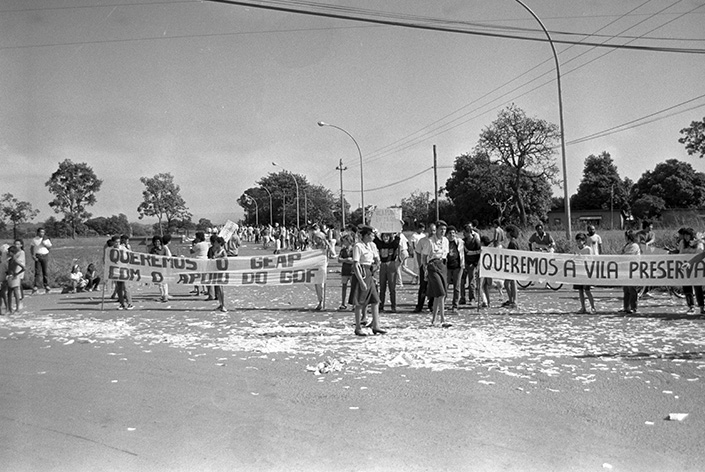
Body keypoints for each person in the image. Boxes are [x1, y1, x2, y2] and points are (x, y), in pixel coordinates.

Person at [351, 225, 386, 336]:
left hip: (370, 272)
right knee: (359, 302)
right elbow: (356, 264)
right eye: (371, 234)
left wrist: (376, 266)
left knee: (375, 300)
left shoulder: (372, 245)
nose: (373, 236)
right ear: (365, 235)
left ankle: (376, 325)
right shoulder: (358, 246)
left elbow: (376, 259)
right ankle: (357, 327)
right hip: (362, 272)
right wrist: (361, 281)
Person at [422, 220, 450, 327]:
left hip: (442, 265)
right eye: (441, 229)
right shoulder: (430, 241)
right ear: (436, 230)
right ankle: (442, 319)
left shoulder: (446, 241)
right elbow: (424, 256)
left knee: (440, 295)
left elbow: (445, 255)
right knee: (441, 293)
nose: (443, 231)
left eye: (444, 229)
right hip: (432, 266)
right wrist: (425, 269)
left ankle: (434, 319)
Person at [677, 227, 704, 315]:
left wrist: (698, 242)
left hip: (696, 268)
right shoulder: (682, 242)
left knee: (697, 287)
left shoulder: (698, 243)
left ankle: (701, 306)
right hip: (686, 267)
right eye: (684, 235)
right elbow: (680, 254)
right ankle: (691, 306)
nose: (686, 237)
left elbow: (700, 253)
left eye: (687, 235)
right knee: (687, 287)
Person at [374, 232, 400, 313]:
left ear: (390, 237)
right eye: (384, 236)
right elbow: (375, 238)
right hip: (383, 265)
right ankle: (381, 306)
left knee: (392, 288)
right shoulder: (380, 244)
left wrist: (399, 227)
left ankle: (393, 306)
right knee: (382, 287)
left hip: (391, 265)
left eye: (387, 236)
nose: (385, 238)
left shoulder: (393, 244)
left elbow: (398, 238)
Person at [413, 223, 434, 313]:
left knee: (433, 286)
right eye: (431, 230)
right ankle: (419, 306)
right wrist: (420, 264)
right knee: (423, 286)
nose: (433, 232)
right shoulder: (422, 240)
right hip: (424, 266)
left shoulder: (437, 240)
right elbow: (418, 252)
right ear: (428, 230)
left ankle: (431, 305)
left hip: (434, 266)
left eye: (434, 230)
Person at [460, 220, 481, 306]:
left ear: (469, 232)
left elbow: (480, 252)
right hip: (464, 264)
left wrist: (475, 263)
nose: (463, 234)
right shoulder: (462, 241)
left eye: (465, 232)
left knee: (472, 282)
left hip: (472, 264)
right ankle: (462, 298)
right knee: (462, 281)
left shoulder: (475, 241)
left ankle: (472, 298)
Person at [574, 233, 596, 314]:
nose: (579, 242)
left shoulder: (588, 249)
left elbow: (591, 259)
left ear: (584, 241)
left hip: (586, 272)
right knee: (580, 290)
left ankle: (593, 307)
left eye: (580, 241)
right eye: (577, 241)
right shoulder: (576, 248)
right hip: (579, 271)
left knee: (587, 290)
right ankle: (583, 307)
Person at [620, 230, 641, 315]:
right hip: (626, 269)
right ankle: (626, 307)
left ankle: (633, 307)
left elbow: (628, 256)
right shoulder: (627, 245)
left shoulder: (634, 246)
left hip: (633, 270)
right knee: (626, 289)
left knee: (632, 289)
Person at [445, 225, 465, 313]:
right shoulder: (444, 242)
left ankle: (455, 305)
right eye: (450, 233)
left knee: (457, 287)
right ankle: (442, 304)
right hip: (447, 267)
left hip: (457, 266)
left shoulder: (459, 242)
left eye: (453, 233)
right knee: (445, 286)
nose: (452, 235)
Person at [502, 225, 520, 309]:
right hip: (512, 265)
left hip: (513, 265)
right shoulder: (513, 242)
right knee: (510, 283)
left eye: (507, 232)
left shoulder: (513, 243)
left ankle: (514, 300)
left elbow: (513, 254)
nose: (506, 234)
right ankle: (511, 300)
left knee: (511, 283)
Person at [30, 227, 52, 294]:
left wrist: (45, 245)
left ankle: (46, 285)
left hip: (45, 255)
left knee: (45, 271)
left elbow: (50, 247)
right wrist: (33, 255)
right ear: (38, 232)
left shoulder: (46, 239)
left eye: (43, 232)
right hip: (38, 255)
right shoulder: (34, 240)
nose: (42, 233)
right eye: (41, 232)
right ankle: (36, 286)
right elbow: (32, 248)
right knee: (37, 272)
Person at [150, 235, 171, 302]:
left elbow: (168, 256)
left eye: (158, 241)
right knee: (159, 282)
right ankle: (162, 295)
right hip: (156, 268)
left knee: (164, 282)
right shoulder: (152, 250)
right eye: (155, 242)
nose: (157, 243)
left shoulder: (164, 248)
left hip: (163, 267)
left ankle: (166, 295)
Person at [337, 235, 354, 311]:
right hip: (345, 270)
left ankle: (353, 303)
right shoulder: (343, 250)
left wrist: (345, 260)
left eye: (345, 241)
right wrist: (347, 259)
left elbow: (354, 260)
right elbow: (339, 259)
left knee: (353, 288)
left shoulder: (353, 250)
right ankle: (343, 303)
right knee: (344, 287)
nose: (344, 242)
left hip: (352, 270)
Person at [6, 245, 25, 312]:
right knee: (9, 293)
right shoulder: (10, 260)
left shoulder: (15, 261)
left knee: (16, 292)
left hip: (14, 277)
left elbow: (23, 268)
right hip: (10, 276)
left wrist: (17, 273)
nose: (8, 253)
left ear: (12, 252)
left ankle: (17, 307)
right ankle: (10, 308)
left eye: (9, 252)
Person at [211, 236, 228, 312]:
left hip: (221, 272)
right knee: (217, 289)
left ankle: (223, 305)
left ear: (219, 243)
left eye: (215, 242)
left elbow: (225, 259)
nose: (214, 244)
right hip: (215, 271)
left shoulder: (223, 251)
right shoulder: (216, 250)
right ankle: (220, 304)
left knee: (221, 288)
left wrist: (217, 259)